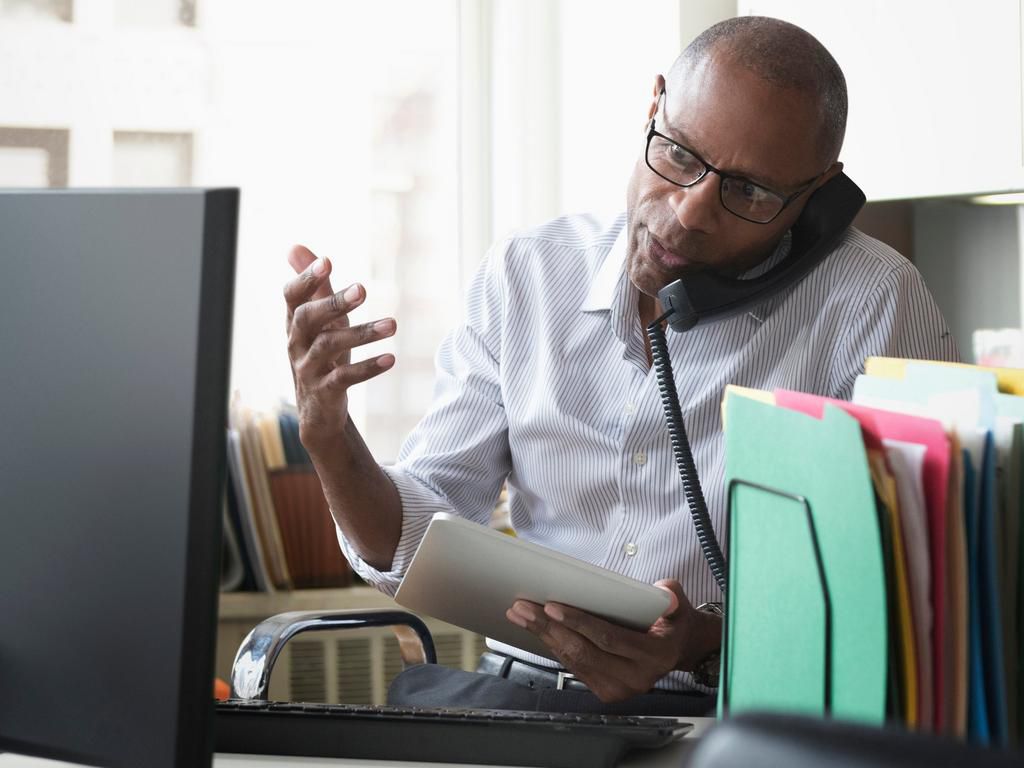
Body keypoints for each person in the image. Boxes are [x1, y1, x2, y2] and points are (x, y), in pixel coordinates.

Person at [282, 16, 958, 715]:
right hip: (523, 703)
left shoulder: (875, 303)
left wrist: (704, 644)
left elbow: (912, 606)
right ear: (654, 106)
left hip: (734, 708)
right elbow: (417, 547)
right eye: (680, 155)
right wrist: (329, 440)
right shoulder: (528, 274)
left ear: (815, 197)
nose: (690, 213)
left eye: (751, 193)